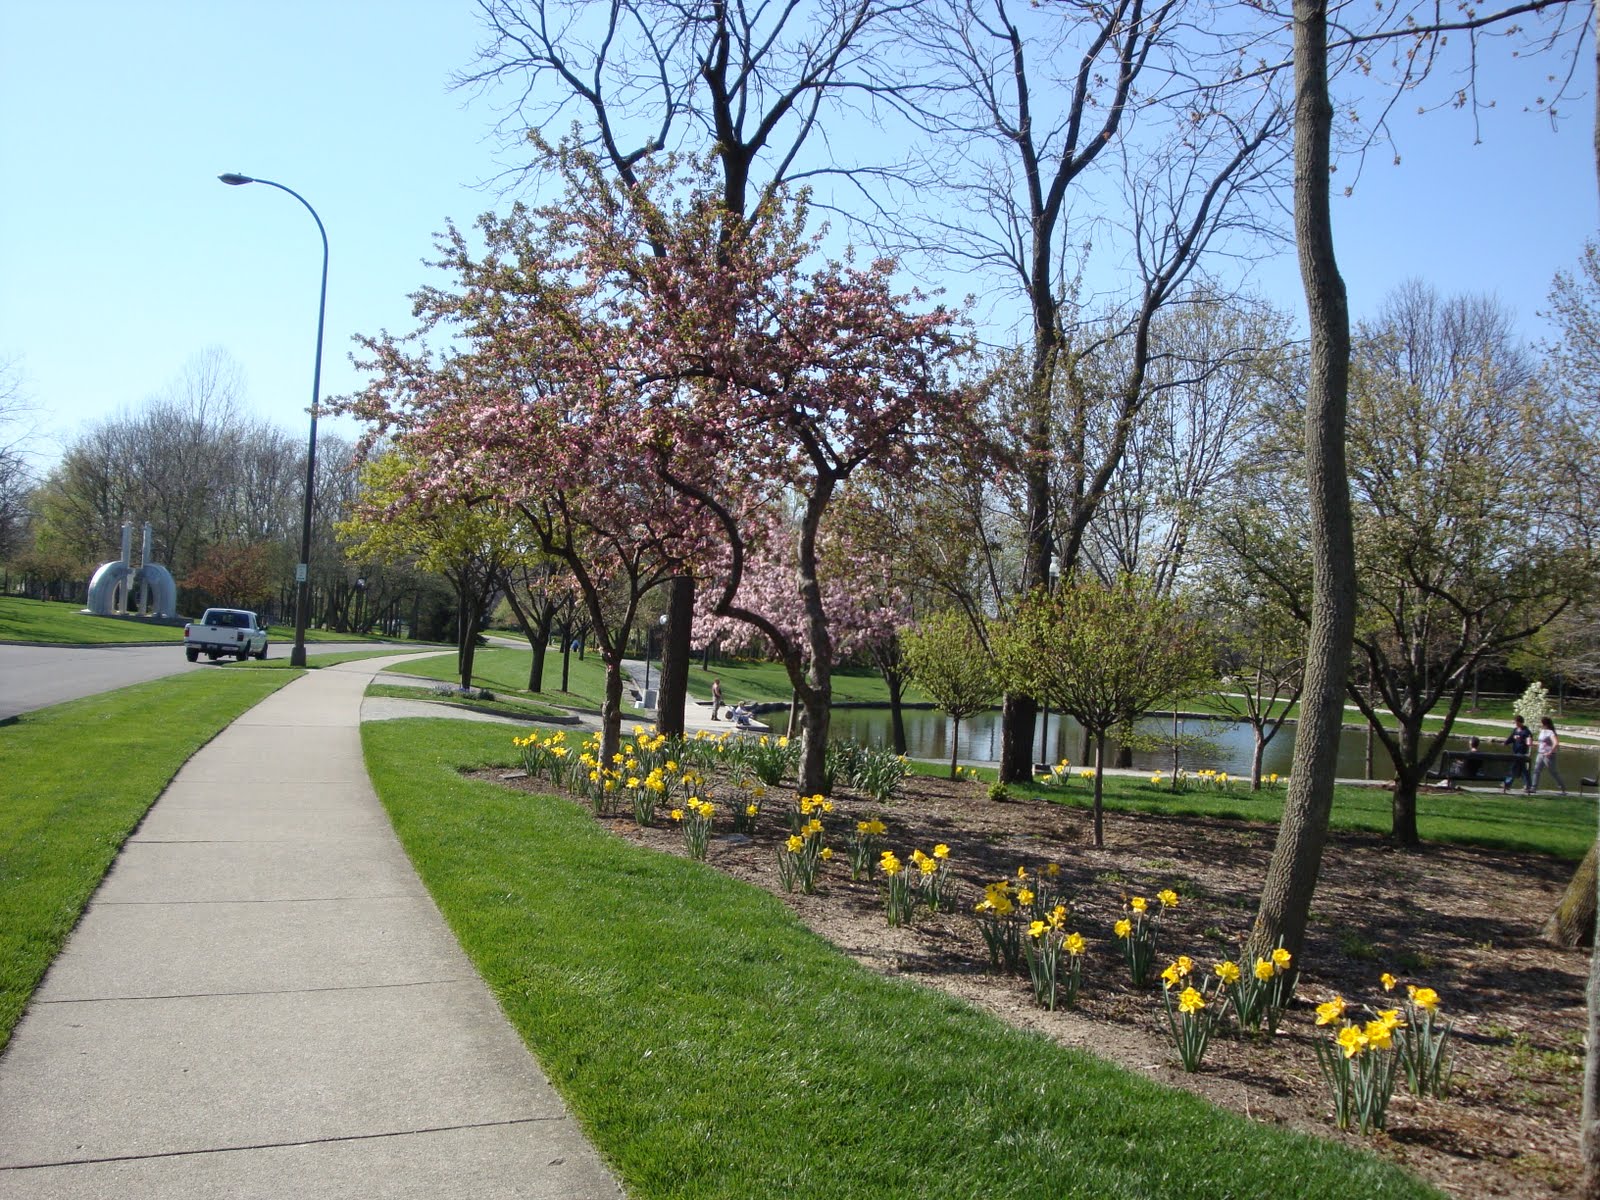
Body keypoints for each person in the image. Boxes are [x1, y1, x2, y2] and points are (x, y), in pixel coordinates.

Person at [1529, 716, 1568, 795]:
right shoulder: (1542, 731)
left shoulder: (1550, 732)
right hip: (1540, 753)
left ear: (1545, 724)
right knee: (1536, 770)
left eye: (1541, 723)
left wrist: (1550, 752)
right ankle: (1533, 788)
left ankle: (1563, 789)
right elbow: (1541, 742)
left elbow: (1556, 743)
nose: (1540, 724)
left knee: (1553, 772)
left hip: (1548, 755)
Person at [1501, 715, 1533, 793]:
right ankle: (1527, 785)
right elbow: (1511, 738)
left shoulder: (1526, 731)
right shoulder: (1515, 730)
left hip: (1521, 753)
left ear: (1520, 722)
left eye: (1516, 722)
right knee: (1523, 770)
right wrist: (1505, 743)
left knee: (1514, 767)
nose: (1515, 724)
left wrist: (1521, 739)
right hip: (1515, 752)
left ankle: (1507, 784)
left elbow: (1529, 742)